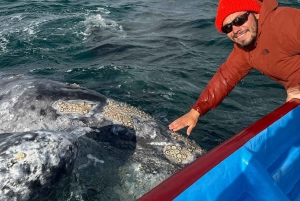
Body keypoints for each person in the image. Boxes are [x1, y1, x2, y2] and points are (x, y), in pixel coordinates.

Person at [169, 0, 300, 135]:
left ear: (255, 13)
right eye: (228, 28)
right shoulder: (245, 49)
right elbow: (226, 77)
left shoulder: (282, 21)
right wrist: (196, 111)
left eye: (239, 20)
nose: (236, 30)